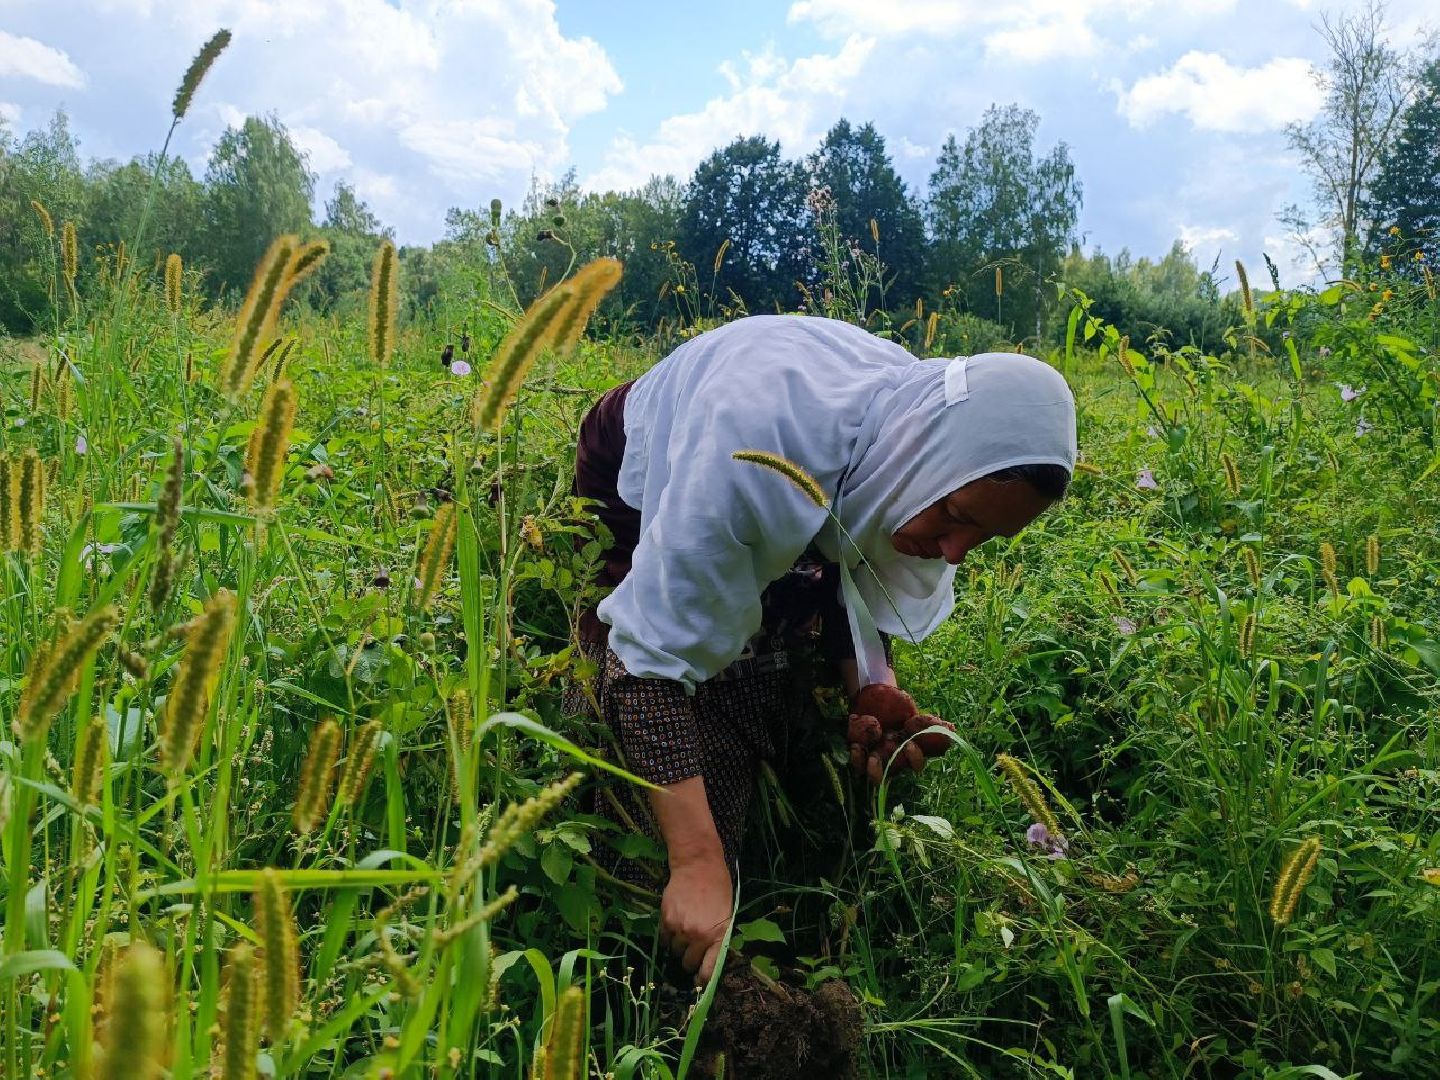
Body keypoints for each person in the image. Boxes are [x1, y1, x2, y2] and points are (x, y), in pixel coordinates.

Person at [567, 314, 1076, 983]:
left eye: (979, 538)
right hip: (642, 459)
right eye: (954, 518)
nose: (954, 552)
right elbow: (645, 666)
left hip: (777, 447)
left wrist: (870, 682)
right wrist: (696, 861)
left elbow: (854, 545)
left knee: (779, 636)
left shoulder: (907, 438)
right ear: (924, 458)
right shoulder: (748, 457)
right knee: (656, 669)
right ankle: (583, 714)